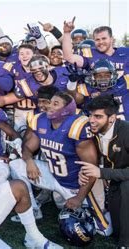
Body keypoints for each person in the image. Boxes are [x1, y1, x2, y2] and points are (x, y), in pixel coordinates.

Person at [9, 91, 111, 235]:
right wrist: (30, 160)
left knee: (104, 230)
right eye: (50, 102)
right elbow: (27, 147)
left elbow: (91, 167)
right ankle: (32, 209)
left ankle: (105, 203)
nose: (49, 106)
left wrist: (79, 197)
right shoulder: (41, 120)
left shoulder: (77, 126)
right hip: (55, 176)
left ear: (67, 109)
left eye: (55, 104)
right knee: (17, 165)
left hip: (79, 183)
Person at [79, 95, 129, 247]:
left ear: (112, 118)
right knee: (116, 229)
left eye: (98, 116)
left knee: (126, 188)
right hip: (115, 179)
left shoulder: (126, 132)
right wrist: (86, 170)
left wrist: (101, 173)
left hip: (124, 181)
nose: (91, 120)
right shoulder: (93, 130)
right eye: (90, 115)